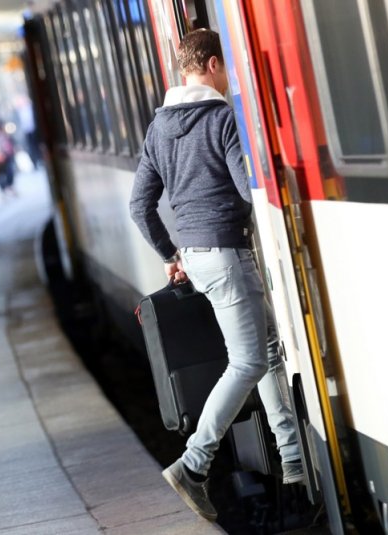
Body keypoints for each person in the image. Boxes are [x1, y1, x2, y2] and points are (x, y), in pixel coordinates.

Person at [129, 29, 303, 521]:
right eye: (225, 67)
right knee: (247, 361)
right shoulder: (222, 118)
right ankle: (193, 464)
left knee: (265, 352)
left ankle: (292, 463)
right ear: (209, 65)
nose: (229, 78)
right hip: (227, 254)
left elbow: (139, 205)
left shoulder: (158, 128)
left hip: (197, 256)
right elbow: (249, 190)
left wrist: (170, 254)